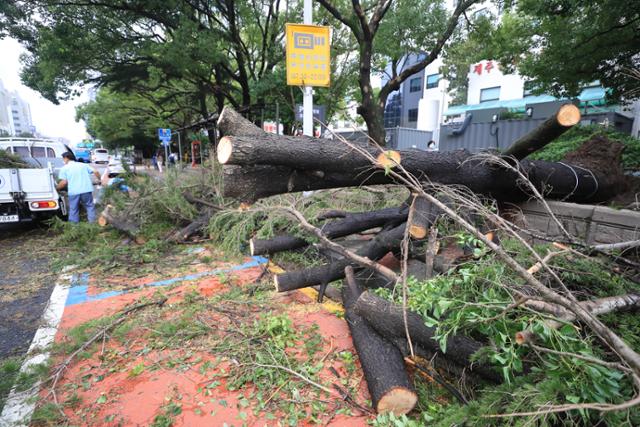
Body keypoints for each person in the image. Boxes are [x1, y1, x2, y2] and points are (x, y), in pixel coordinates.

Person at [56, 152, 100, 223]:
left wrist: (57, 188)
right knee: (89, 207)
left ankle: (74, 227)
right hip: (86, 190)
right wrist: (99, 179)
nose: (63, 161)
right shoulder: (83, 165)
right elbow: (96, 171)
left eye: (63, 159)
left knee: (74, 209)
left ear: (66, 158)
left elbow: (64, 182)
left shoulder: (64, 168)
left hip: (74, 192)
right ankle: (92, 224)